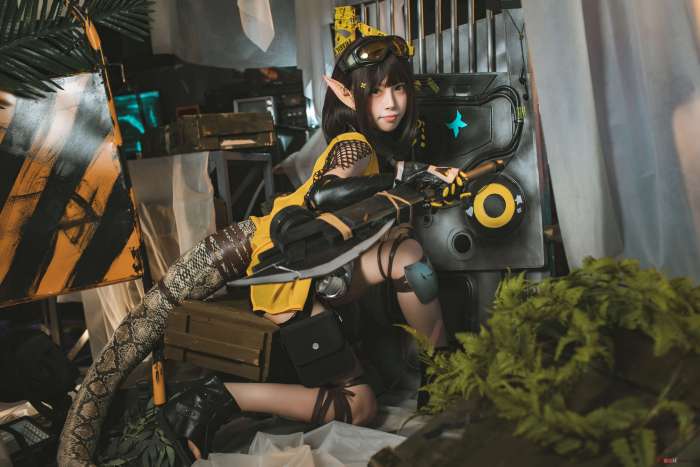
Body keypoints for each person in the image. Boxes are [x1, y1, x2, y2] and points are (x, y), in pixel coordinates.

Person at [58, 34, 468, 466]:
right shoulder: (356, 145)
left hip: (305, 264)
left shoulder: (370, 148)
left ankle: (438, 371)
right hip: (287, 270)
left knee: (401, 260)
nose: (391, 102)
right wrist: (411, 178)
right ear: (346, 94)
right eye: (376, 90)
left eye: (398, 87)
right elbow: (327, 193)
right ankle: (220, 397)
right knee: (364, 393)